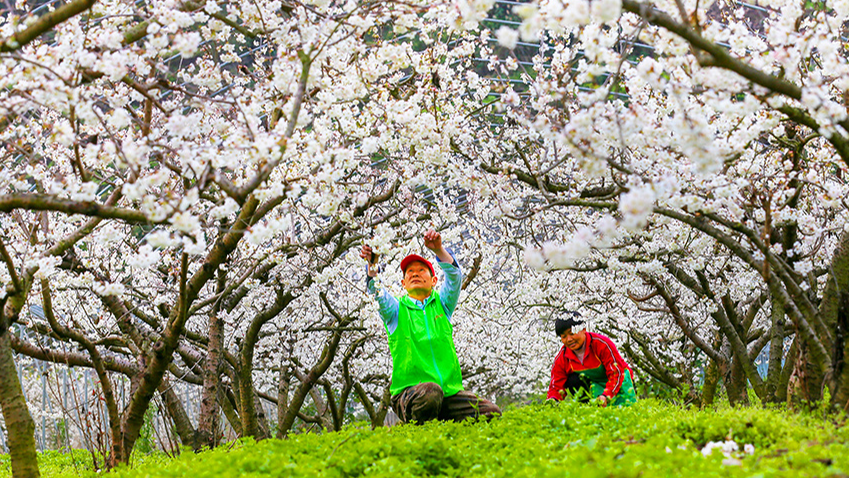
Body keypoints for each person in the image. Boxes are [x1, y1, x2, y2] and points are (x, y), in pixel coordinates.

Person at [360, 230, 501, 424]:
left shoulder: (442, 306)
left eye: (421, 271)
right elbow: (376, 292)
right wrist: (372, 265)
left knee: (491, 412)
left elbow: (454, 278)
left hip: (449, 393)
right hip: (410, 393)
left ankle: (449, 431)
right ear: (403, 283)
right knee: (430, 392)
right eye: (410, 272)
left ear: (434, 281)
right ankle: (422, 435)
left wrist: (439, 249)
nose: (415, 273)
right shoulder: (395, 311)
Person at [547, 314, 637, 407]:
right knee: (573, 380)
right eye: (564, 336)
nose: (569, 339)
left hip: (620, 380)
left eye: (572, 333)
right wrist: (552, 400)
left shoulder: (601, 344)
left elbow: (616, 372)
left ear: (583, 329)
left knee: (625, 409)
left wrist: (606, 395)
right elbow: (556, 384)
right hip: (595, 385)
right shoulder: (563, 356)